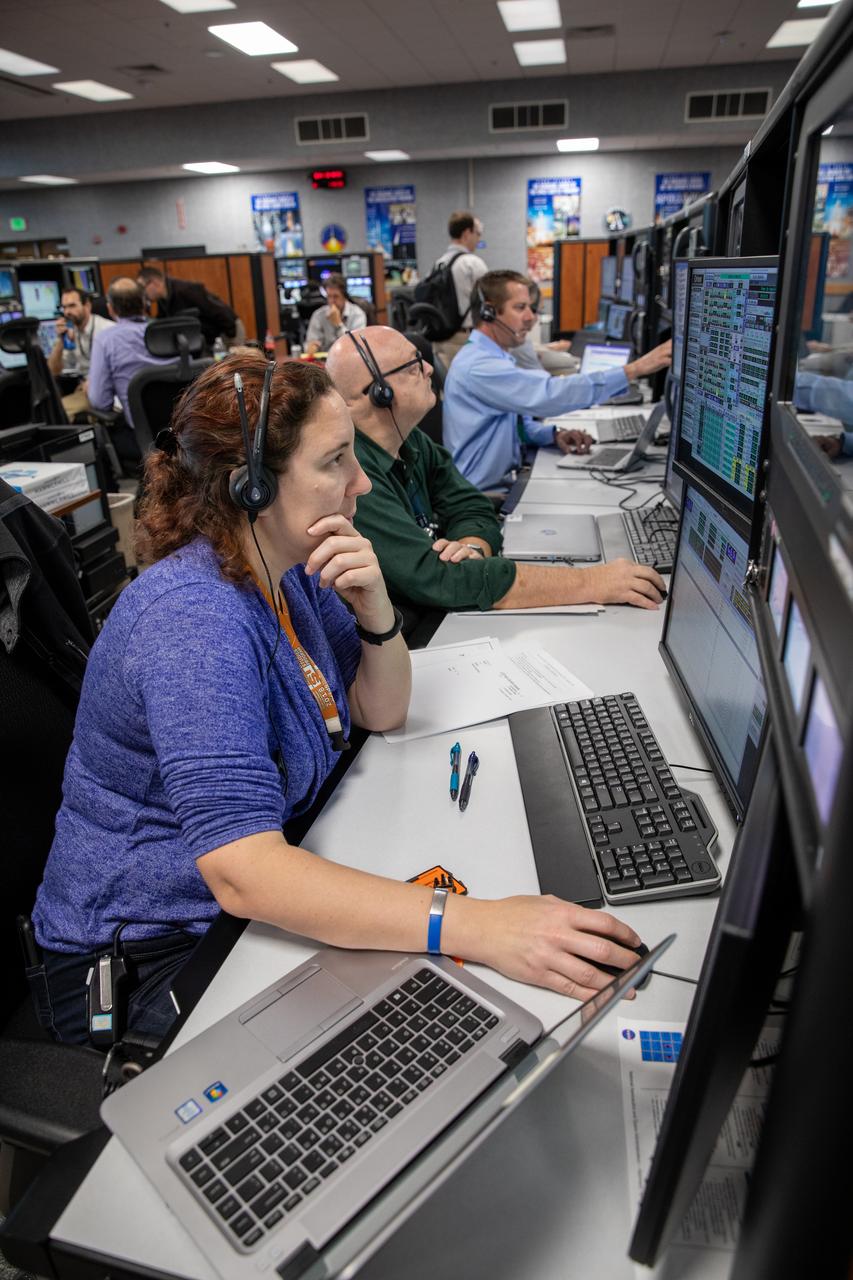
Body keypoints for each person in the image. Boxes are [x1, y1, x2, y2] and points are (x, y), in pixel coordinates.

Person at [30, 353, 645, 1046]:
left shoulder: (287, 570)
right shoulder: (193, 623)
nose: (358, 484)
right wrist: (475, 923)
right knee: (430, 1030)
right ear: (252, 489)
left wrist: (375, 609)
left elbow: (378, 710)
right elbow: (244, 874)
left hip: (240, 904)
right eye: (334, 463)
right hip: (152, 954)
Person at [326, 326, 666, 615]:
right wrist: (593, 582)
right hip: (413, 641)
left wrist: (472, 547)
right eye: (414, 365)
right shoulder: (351, 480)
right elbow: (438, 581)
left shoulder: (410, 441)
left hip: (447, 616)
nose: (429, 368)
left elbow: (472, 506)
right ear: (378, 394)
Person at [443, 270, 672, 493]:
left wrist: (553, 434)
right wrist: (635, 369)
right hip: (480, 497)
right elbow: (549, 394)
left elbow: (517, 427)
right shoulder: (479, 367)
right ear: (488, 313)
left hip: (500, 485)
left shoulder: (494, 357)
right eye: (520, 307)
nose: (531, 317)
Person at [431, 211, 488, 368]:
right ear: (467, 233)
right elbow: (487, 300)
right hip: (464, 339)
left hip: (440, 337)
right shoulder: (472, 263)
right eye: (477, 233)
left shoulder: (439, 263)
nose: (478, 239)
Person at [46, 287, 114, 415]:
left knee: (59, 412)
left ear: (87, 305)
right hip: (85, 389)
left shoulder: (107, 330)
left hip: (106, 389)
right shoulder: (72, 333)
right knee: (52, 409)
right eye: (64, 307)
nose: (67, 312)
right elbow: (53, 370)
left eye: (72, 306)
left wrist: (94, 380)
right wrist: (60, 341)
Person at [137, 265, 238, 351]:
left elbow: (218, 311)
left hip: (228, 331)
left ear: (155, 283)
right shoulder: (163, 300)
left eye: (143, 288)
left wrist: (230, 336)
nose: (143, 293)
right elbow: (162, 323)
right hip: (210, 339)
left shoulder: (185, 290)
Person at [304, 273, 367, 356]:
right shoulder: (318, 315)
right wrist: (312, 346)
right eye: (329, 296)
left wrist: (338, 324)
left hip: (349, 359)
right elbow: (310, 344)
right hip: (324, 363)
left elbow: (356, 346)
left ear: (345, 296)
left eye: (336, 296)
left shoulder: (357, 314)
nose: (332, 301)